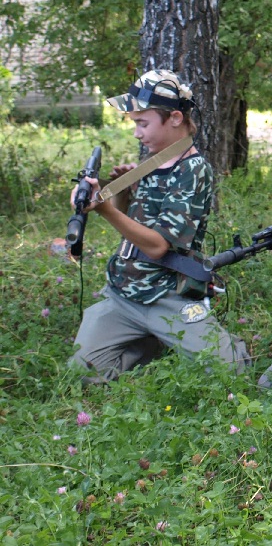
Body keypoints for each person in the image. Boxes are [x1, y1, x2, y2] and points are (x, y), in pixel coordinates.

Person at [69, 69, 247, 382]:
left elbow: (157, 245)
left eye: (142, 123)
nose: (137, 133)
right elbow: (135, 226)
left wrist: (104, 211)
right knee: (83, 372)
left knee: (229, 372)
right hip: (125, 293)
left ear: (175, 118)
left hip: (168, 296)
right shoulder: (152, 163)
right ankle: (154, 340)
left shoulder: (193, 169)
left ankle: (172, 334)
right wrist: (121, 194)